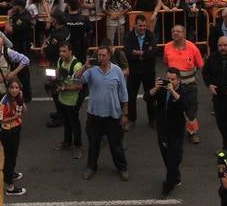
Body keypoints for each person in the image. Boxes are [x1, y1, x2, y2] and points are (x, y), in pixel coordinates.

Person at [79, 44, 130, 182]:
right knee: (94, 143)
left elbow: (124, 94)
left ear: (109, 56)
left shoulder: (117, 70)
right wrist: (85, 66)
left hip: (113, 115)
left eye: (103, 55)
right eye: (99, 55)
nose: (100, 58)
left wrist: (125, 115)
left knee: (116, 144)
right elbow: (77, 79)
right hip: (94, 115)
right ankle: (91, 167)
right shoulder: (92, 70)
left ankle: (122, 168)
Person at [162, 23, 205, 143]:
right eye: (173, 31)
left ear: (184, 34)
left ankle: (193, 132)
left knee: (191, 110)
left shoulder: (192, 48)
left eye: (178, 31)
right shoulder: (167, 47)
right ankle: (174, 131)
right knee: (173, 109)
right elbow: (166, 63)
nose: (175, 33)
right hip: (173, 87)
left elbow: (200, 65)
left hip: (190, 86)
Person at [152, 68, 187, 197]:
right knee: (166, 157)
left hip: (176, 132)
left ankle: (167, 187)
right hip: (162, 130)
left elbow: (185, 105)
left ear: (179, 80)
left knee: (174, 159)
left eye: (173, 79)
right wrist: (155, 88)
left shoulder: (183, 91)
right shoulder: (161, 90)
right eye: (168, 79)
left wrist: (172, 91)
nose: (170, 82)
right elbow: (147, 97)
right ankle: (175, 177)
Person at [123, 14, 157, 127]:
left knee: (151, 96)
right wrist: (145, 53)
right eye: (140, 26)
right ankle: (132, 120)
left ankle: (153, 120)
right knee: (131, 96)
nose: (142, 28)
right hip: (134, 71)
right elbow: (128, 53)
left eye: (144, 26)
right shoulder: (129, 36)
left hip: (149, 71)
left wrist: (140, 53)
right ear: (135, 25)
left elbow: (153, 53)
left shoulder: (150, 35)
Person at [52, 40, 84, 158]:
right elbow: (57, 75)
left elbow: (79, 86)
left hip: (73, 100)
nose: (61, 53)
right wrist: (53, 82)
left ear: (70, 51)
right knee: (66, 122)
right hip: (62, 98)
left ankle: (78, 146)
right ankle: (67, 142)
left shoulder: (77, 65)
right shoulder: (60, 61)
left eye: (64, 51)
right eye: (60, 51)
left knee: (74, 123)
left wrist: (63, 88)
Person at [0, 78, 27, 196]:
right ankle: (10, 186)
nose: (14, 90)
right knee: (10, 158)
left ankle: (10, 174)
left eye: (17, 88)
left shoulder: (17, 99)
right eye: (12, 88)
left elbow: (25, 111)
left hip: (16, 129)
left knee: (13, 156)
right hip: (8, 132)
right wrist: (14, 118)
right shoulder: (4, 102)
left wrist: (21, 100)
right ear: (8, 89)